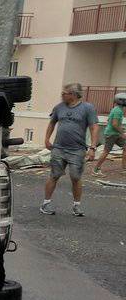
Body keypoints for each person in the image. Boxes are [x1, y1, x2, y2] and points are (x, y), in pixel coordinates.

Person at [41, 83, 99, 217]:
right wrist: (46, 139)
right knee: (54, 175)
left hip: (77, 150)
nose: (62, 95)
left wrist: (92, 147)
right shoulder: (59, 107)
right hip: (59, 148)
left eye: (64, 93)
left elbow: (94, 127)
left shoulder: (87, 108)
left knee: (76, 177)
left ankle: (76, 206)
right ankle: (45, 203)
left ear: (73, 95)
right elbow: (52, 123)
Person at [93, 92, 126, 176]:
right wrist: (122, 132)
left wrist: (121, 129)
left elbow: (110, 121)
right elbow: (115, 124)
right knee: (106, 151)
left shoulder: (116, 109)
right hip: (112, 134)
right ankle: (95, 170)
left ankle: (124, 169)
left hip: (114, 133)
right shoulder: (118, 111)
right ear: (122, 101)